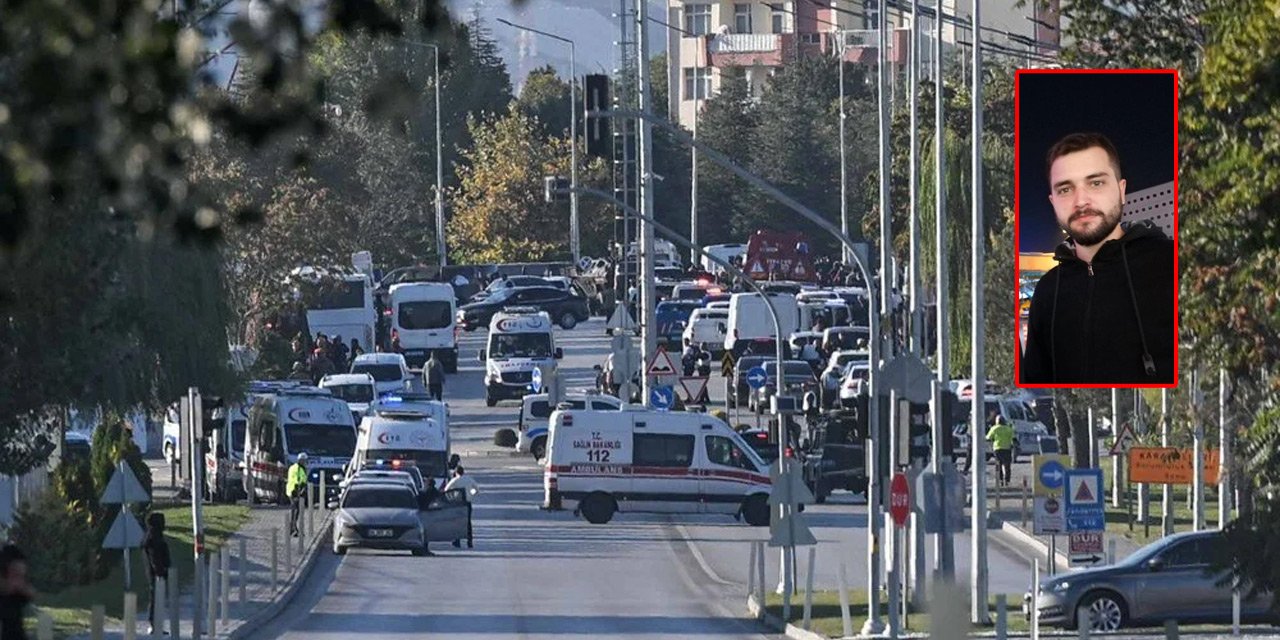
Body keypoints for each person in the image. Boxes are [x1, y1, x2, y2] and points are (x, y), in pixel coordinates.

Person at [1021, 132, 1175, 384]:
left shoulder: (1170, 267)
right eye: (1065, 189)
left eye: (1096, 183)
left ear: (1121, 190)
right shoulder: (1048, 292)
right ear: (1053, 201)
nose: (1081, 201)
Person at [142, 512, 172, 635]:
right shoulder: (153, 538)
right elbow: (155, 557)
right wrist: (160, 571)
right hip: (156, 574)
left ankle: (157, 624)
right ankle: (154, 625)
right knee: (155, 598)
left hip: (158, 572)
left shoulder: (154, 536)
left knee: (157, 598)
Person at [0, 545, 33, 640]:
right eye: (16, 575)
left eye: (23, 576)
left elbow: (30, 593)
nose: (21, 582)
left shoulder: (16, 595)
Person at [443, 466, 480, 548]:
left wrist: (452, 497)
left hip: (458, 503)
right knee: (468, 522)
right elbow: (477, 489)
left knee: (457, 521)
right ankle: (469, 541)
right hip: (467, 503)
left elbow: (446, 490)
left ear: (456, 473)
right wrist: (471, 494)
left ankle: (457, 541)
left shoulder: (455, 480)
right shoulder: (469, 479)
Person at [986, 415, 1016, 487]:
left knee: (998, 465)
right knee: (1007, 466)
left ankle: (1000, 480)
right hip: (1007, 449)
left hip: (997, 449)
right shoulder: (1009, 429)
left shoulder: (994, 428)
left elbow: (988, 438)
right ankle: (1007, 481)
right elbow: (1014, 439)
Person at [286, 453, 308, 537]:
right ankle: (293, 530)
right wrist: (299, 490)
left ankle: (292, 529)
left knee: (295, 511)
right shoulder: (298, 468)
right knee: (295, 511)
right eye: (305, 461)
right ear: (301, 460)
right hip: (294, 491)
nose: (306, 462)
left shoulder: (294, 467)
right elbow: (297, 481)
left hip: (292, 491)